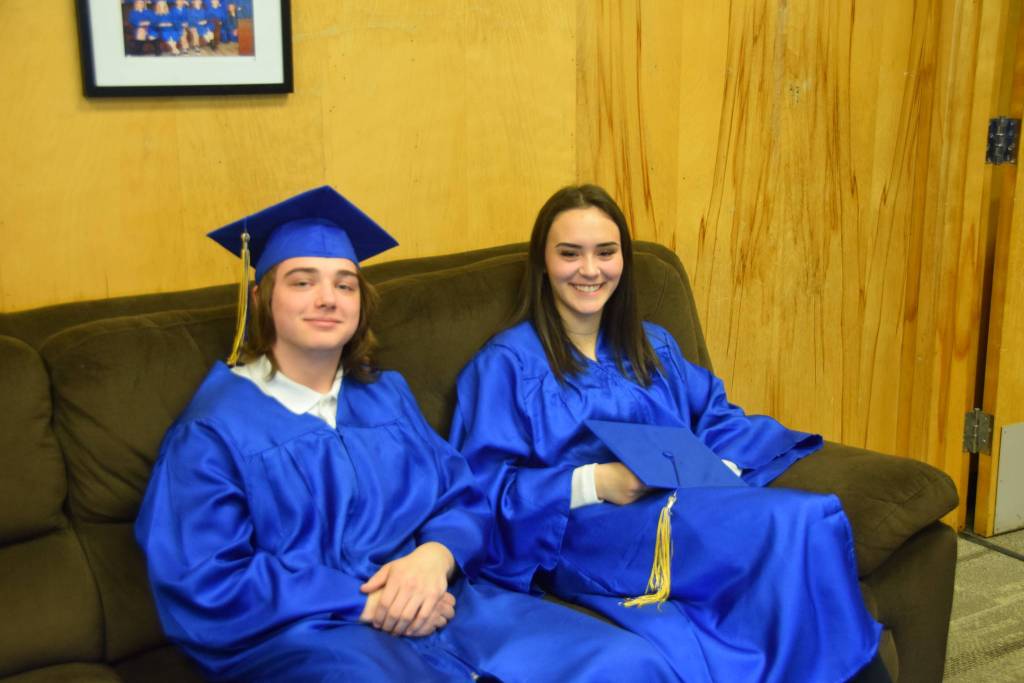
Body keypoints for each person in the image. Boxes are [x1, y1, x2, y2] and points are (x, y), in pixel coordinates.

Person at [135, 185, 678, 682]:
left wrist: (434, 559)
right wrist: (369, 601)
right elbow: (204, 579)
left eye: (344, 284)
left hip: (450, 605)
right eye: (302, 282)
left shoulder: (385, 397)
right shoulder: (213, 431)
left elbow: (462, 495)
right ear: (260, 299)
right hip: (312, 635)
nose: (327, 299)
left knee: (625, 661)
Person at [450, 184, 890, 683]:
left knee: (808, 520)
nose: (590, 270)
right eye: (569, 253)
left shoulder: (651, 343)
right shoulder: (507, 364)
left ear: (624, 260)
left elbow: (718, 416)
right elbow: (479, 489)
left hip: (688, 503)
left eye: (606, 252)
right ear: (543, 263)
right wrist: (596, 481)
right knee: (800, 522)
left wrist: (717, 466)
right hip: (589, 532)